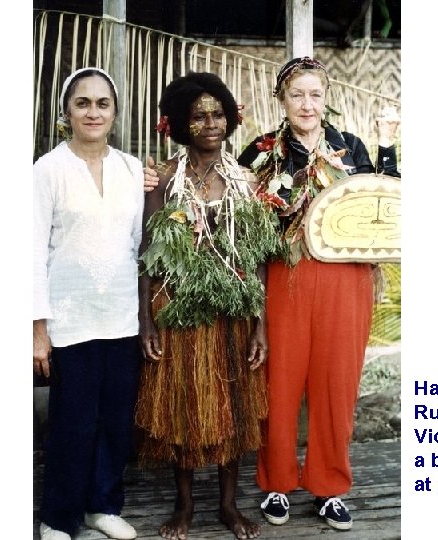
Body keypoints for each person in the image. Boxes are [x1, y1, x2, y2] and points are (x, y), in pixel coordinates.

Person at [235, 56, 401, 531]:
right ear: (281, 100)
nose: (306, 104)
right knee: (280, 382)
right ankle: (277, 482)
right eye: (296, 94)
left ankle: (328, 485)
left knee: (336, 384)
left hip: (346, 278)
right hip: (286, 278)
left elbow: (386, 205)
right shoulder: (262, 150)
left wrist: (386, 145)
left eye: (315, 94)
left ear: (325, 98)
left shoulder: (348, 148)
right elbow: (240, 214)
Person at [134, 72, 283, 540]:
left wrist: (261, 326)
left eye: (217, 113)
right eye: (198, 116)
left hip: (234, 315)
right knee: (183, 405)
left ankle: (227, 505)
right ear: (180, 123)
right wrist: (146, 321)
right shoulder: (164, 181)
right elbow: (148, 253)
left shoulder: (244, 181)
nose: (211, 123)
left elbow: (257, 257)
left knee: (234, 409)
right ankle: (184, 506)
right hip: (179, 313)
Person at [33, 67, 144, 540]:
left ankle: (103, 507)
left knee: (116, 420)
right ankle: (58, 517)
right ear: (67, 112)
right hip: (70, 319)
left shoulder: (133, 169)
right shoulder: (47, 170)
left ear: (115, 113)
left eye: (102, 103)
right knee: (72, 424)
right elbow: (31, 251)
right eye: (83, 103)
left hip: (122, 317)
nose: (93, 112)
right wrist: (37, 329)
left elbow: (138, 244)